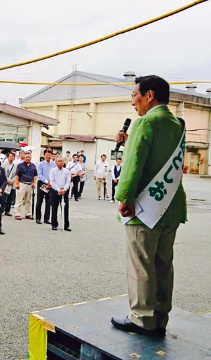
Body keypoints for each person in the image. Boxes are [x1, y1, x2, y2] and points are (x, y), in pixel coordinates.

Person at [110, 75, 187, 337]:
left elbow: (134, 164)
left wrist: (125, 198)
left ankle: (142, 318)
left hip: (145, 208)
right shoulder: (178, 124)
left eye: (134, 95)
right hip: (171, 205)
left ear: (149, 95)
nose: (133, 102)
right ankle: (161, 317)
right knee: (163, 263)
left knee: (142, 263)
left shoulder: (145, 122)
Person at [14, 152, 38, 220]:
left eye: (29, 157)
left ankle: (28, 213)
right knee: (19, 199)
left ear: (30, 158)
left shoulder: (33, 165)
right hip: (22, 183)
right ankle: (17, 214)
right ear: (24, 158)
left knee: (28, 200)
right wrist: (17, 184)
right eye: (26, 157)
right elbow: (17, 175)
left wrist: (34, 183)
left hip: (30, 184)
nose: (27, 158)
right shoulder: (20, 165)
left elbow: (35, 175)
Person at [49, 157, 71, 231]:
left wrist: (64, 189)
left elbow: (68, 181)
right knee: (54, 208)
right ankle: (54, 224)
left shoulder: (66, 171)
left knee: (65, 208)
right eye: (58, 161)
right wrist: (58, 189)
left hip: (64, 191)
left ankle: (66, 225)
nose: (60, 163)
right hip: (55, 191)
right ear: (56, 163)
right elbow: (52, 181)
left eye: (61, 161)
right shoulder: (52, 171)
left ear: (63, 162)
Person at [36, 149, 56, 225]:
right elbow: (40, 175)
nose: (48, 156)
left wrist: (51, 183)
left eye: (49, 155)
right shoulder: (40, 164)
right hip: (42, 184)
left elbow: (54, 174)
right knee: (39, 201)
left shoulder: (54, 164)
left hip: (51, 184)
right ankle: (38, 218)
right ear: (44, 155)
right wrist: (47, 182)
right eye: (46, 155)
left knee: (49, 202)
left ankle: (46, 218)